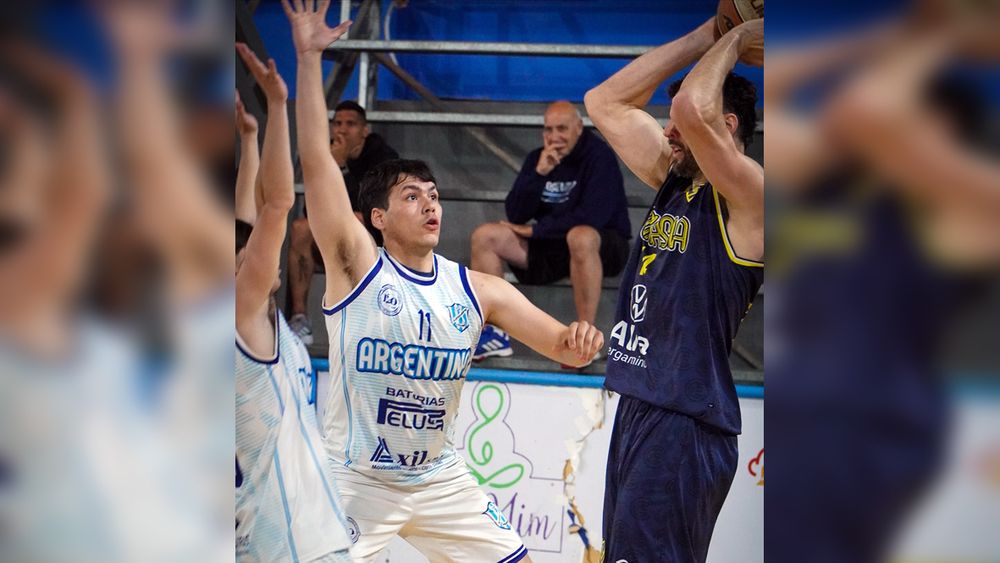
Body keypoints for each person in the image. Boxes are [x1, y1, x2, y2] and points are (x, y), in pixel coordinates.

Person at [283, 1, 603, 561]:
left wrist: (581, 341)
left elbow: (565, 349)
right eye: (412, 196)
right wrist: (310, 58)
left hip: (440, 481)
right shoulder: (358, 265)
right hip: (358, 481)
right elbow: (316, 161)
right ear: (377, 218)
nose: (430, 204)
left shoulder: (479, 289)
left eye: (434, 196)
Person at [584, 16, 764, 562]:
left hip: (685, 424)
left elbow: (692, 111)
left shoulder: (752, 196)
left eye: (678, 123)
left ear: (725, 124)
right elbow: (604, 103)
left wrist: (738, 39)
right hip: (643, 405)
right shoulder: (675, 178)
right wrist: (711, 30)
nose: (666, 131)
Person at [234, 43, 354, 562]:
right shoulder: (239, 315)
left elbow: (252, 212)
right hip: (288, 541)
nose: (253, 254)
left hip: (285, 531)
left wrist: (251, 137)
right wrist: (278, 106)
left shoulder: (251, 322)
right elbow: (276, 205)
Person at [469, 101, 631, 363]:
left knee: (580, 235)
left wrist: (535, 231)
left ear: (579, 128)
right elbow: (515, 213)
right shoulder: (538, 157)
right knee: (486, 235)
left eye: (562, 129)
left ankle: (584, 341)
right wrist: (538, 173)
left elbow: (593, 216)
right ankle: (494, 335)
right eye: (548, 130)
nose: (554, 137)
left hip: (603, 246)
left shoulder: (599, 156)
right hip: (553, 245)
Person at [288, 100, 399, 345]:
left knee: (358, 219)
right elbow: (313, 208)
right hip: (332, 237)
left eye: (350, 124)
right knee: (300, 228)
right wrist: (333, 163)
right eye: (337, 123)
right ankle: (299, 319)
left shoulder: (383, 158)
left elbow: (374, 211)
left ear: (364, 130)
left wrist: (340, 168)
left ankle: (369, 323)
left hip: (374, 242)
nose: (342, 130)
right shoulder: (325, 154)